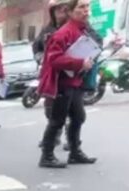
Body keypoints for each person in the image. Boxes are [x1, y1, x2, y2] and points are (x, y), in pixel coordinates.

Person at [37, 0, 98, 168]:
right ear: (70, 11)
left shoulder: (82, 29)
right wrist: (79, 63)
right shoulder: (63, 33)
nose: (86, 10)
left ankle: (74, 152)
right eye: (81, 7)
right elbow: (53, 59)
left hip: (75, 82)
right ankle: (47, 156)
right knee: (57, 120)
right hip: (62, 83)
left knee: (78, 117)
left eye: (87, 6)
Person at [34, 0, 71, 149]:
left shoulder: (75, 27)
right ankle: (54, 136)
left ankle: (72, 140)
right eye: (58, 9)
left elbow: (95, 40)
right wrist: (40, 57)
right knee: (50, 108)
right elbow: (36, 47)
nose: (61, 12)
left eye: (64, 9)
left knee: (72, 110)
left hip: (70, 74)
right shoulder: (47, 29)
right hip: (50, 74)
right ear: (52, 12)